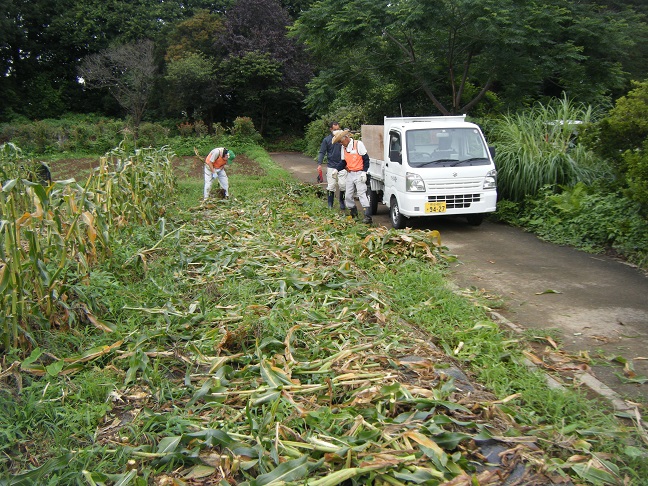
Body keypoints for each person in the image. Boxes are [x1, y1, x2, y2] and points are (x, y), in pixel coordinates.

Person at [332, 129, 372, 224]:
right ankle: (354, 214)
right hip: (350, 173)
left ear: (346, 138)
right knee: (348, 195)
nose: (341, 144)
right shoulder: (344, 148)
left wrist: (364, 172)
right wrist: (336, 170)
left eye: (341, 141)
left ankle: (368, 216)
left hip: (359, 173)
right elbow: (343, 161)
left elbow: (366, 159)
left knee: (361, 194)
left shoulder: (358, 144)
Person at [317, 121, 347, 209]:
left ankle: (342, 202)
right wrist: (319, 164)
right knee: (331, 186)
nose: (336, 131)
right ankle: (330, 204)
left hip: (342, 165)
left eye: (338, 129)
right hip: (331, 165)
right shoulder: (326, 140)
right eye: (335, 130)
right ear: (331, 129)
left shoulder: (343, 139)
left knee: (343, 185)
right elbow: (322, 152)